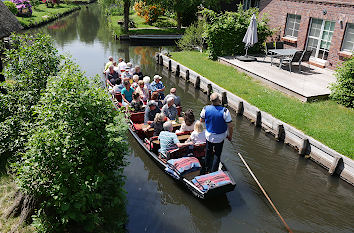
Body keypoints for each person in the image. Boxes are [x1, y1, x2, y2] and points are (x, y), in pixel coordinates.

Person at [200, 93, 233, 173]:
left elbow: (202, 120)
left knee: (208, 152)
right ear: (219, 100)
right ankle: (214, 171)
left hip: (209, 135)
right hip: (220, 136)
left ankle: (206, 169)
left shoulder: (205, 109)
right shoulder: (225, 111)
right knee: (217, 154)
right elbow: (230, 126)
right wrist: (230, 136)